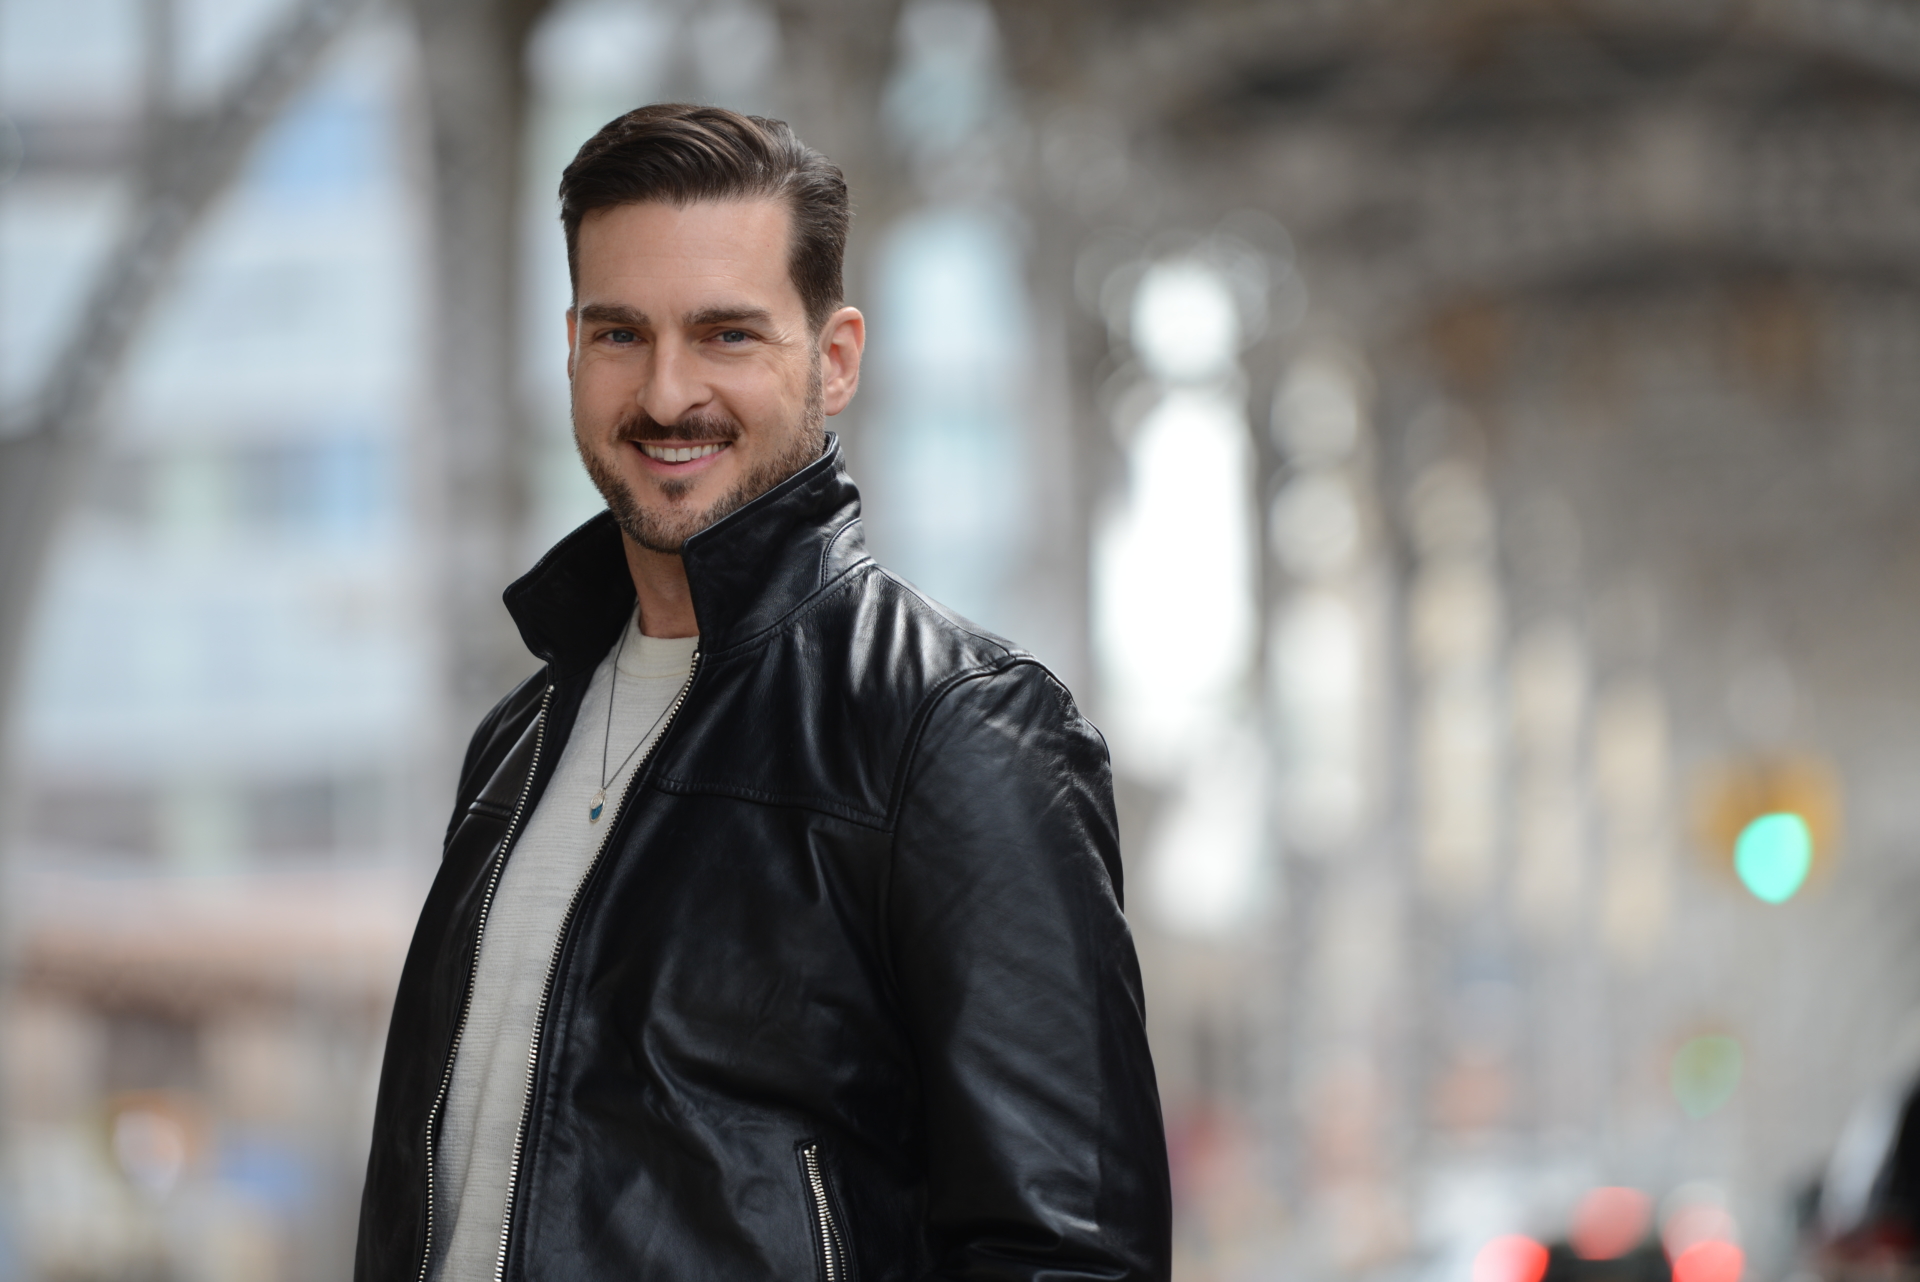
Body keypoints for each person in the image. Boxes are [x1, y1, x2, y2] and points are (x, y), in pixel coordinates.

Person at [355, 103, 1170, 1281]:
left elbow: (1066, 1255)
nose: (666, 393)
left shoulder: (956, 731)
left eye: (727, 335)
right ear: (573, 347)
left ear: (834, 358)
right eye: (622, 333)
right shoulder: (517, 742)